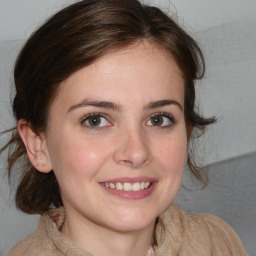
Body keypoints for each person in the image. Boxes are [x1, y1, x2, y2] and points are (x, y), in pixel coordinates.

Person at [1, 0, 248, 255]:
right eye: (95, 120)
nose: (136, 152)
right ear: (38, 144)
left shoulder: (215, 241)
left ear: (186, 133)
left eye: (158, 119)